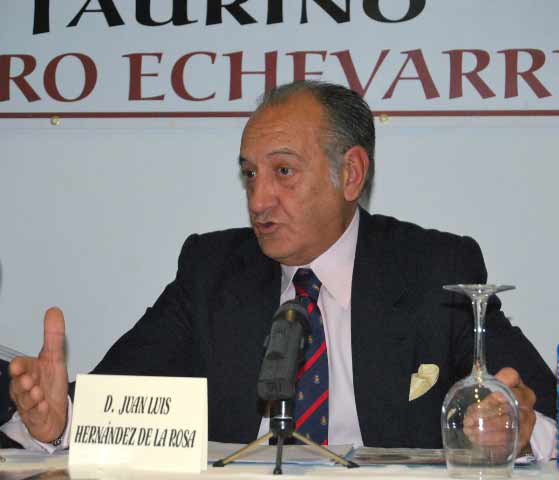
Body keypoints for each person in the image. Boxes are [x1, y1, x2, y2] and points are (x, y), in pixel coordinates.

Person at [3, 81, 556, 456]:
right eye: (249, 175)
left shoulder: (435, 268)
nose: (259, 199)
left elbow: (539, 407)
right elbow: (118, 395)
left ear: (351, 174)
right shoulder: (213, 270)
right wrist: (61, 420)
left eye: (283, 171)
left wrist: (518, 426)